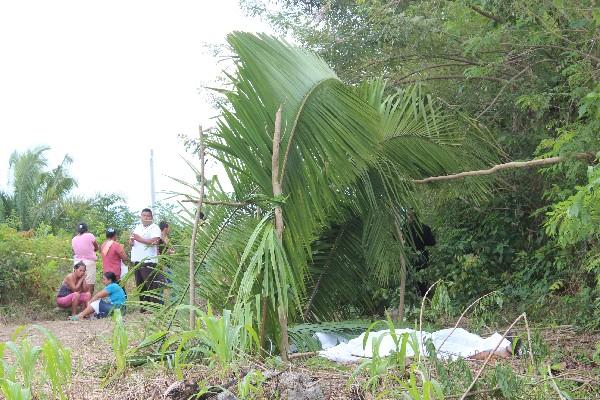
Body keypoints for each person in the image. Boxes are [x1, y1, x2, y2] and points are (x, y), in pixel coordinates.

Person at [130, 208, 163, 309]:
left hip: (149, 260)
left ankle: (154, 307)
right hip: (137, 259)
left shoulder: (155, 227)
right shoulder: (137, 227)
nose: (146, 218)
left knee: (151, 285)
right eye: (144, 215)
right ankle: (144, 307)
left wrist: (139, 238)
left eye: (148, 216)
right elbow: (133, 242)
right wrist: (131, 241)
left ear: (151, 217)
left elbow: (155, 241)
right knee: (140, 285)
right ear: (141, 216)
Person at [71, 222, 99, 294]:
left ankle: (78, 302)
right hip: (89, 263)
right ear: (86, 230)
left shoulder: (74, 239)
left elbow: (74, 251)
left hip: (77, 263)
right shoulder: (90, 235)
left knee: (77, 284)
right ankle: (87, 304)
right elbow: (96, 247)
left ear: (78, 230)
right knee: (89, 286)